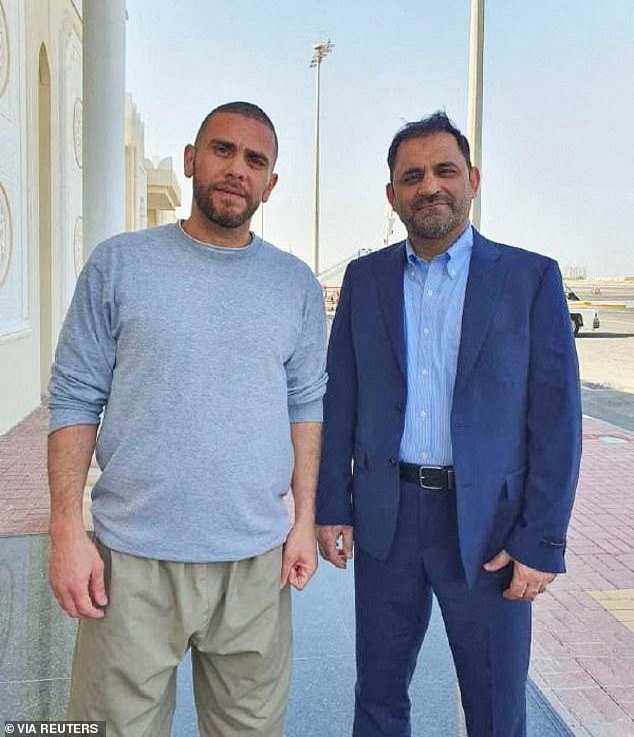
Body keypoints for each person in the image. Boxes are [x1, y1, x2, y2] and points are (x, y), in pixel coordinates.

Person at [48, 101, 327, 737]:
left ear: (271, 183)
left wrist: (304, 521)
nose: (237, 169)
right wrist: (67, 528)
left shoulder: (294, 284)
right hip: (132, 560)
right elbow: (73, 395)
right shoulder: (119, 264)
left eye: (255, 160)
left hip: (255, 560)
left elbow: (306, 405)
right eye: (222, 150)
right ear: (191, 161)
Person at [316, 111, 581, 737]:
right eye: (412, 176)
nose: (429, 186)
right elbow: (342, 399)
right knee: (378, 699)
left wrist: (541, 538)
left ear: (473, 180)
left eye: (444, 170)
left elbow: (557, 420)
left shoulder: (530, 279)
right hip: (388, 522)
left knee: (495, 709)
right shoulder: (365, 279)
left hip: (491, 531)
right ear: (392, 194)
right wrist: (333, 506)